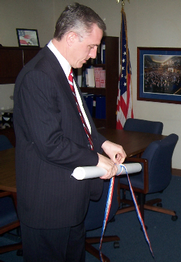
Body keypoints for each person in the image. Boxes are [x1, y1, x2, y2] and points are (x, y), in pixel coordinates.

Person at [13, 3, 126, 261]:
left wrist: (103, 143)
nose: (94, 54)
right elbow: (50, 143)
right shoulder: (39, 76)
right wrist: (97, 159)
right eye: (92, 46)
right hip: (49, 205)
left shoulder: (63, 72)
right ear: (72, 37)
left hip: (71, 200)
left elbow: (79, 126)